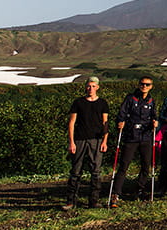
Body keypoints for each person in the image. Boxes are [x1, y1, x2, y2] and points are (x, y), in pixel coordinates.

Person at [110, 76, 158, 207]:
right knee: (124, 165)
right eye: (142, 84)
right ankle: (116, 193)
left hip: (146, 136)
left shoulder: (151, 101)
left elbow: (154, 115)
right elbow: (122, 113)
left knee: (145, 165)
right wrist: (120, 121)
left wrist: (155, 122)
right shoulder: (130, 98)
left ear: (151, 86)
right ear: (138, 85)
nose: (144, 86)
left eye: (147, 84)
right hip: (131, 136)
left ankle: (139, 190)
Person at [63, 76, 109, 210]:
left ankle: (93, 201)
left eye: (93, 86)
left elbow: (105, 124)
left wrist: (105, 141)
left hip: (97, 140)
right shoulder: (78, 103)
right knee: (76, 171)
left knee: (96, 172)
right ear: (85, 87)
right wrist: (71, 142)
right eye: (89, 86)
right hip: (79, 140)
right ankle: (71, 201)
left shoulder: (103, 103)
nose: (91, 89)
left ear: (98, 87)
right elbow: (71, 123)